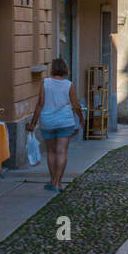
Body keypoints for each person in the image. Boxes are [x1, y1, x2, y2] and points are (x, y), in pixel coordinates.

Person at [27, 58, 84, 193]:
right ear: (65, 69)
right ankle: (58, 183)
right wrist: (81, 119)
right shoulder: (69, 85)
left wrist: (33, 123)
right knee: (62, 152)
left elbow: (40, 104)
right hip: (65, 122)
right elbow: (76, 105)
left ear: (52, 69)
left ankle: (52, 181)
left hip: (48, 122)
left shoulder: (45, 83)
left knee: (51, 152)